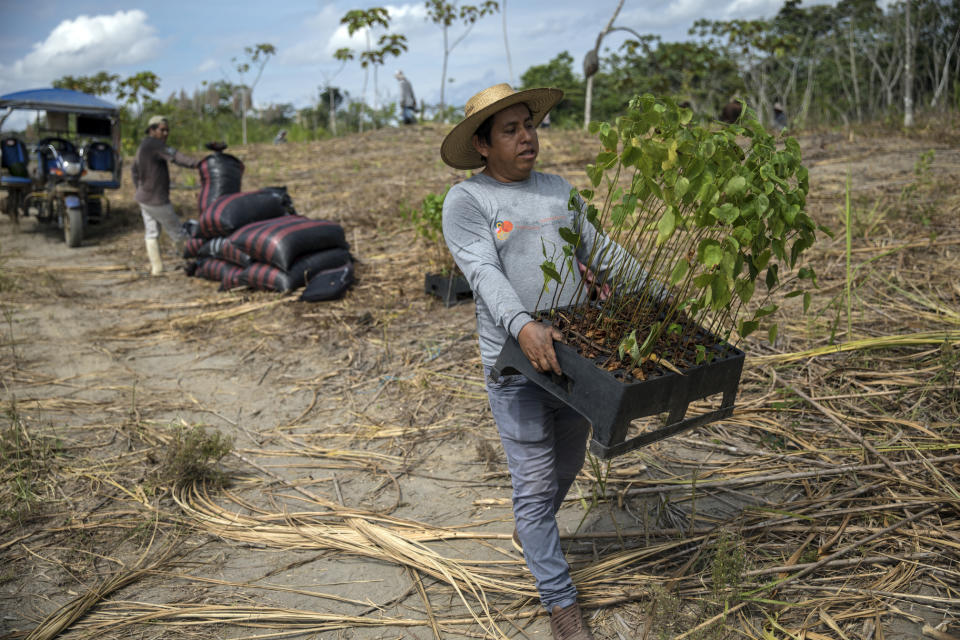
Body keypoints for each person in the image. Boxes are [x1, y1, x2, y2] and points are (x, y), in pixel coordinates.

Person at [440, 84, 644, 640]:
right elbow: (483, 274)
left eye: (528, 125)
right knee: (533, 483)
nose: (527, 137)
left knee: (567, 468)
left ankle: (532, 533)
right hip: (515, 363)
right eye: (510, 130)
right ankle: (561, 603)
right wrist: (525, 325)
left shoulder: (558, 191)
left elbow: (601, 253)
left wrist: (653, 296)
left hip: (576, 360)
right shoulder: (468, 201)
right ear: (482, 145)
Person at [131, 115, 199, 275]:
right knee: (178, 233)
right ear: (152, 130)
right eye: (162, 130)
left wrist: (139, 188)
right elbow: (176, 156)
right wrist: (197, 163)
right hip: (157, 200)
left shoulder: (143, 146)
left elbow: (133, 169)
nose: (166, 133)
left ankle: (157, 268)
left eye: (167, 130)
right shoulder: (156, 144)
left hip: (143, 198)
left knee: (151, 233)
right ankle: (193, 262)